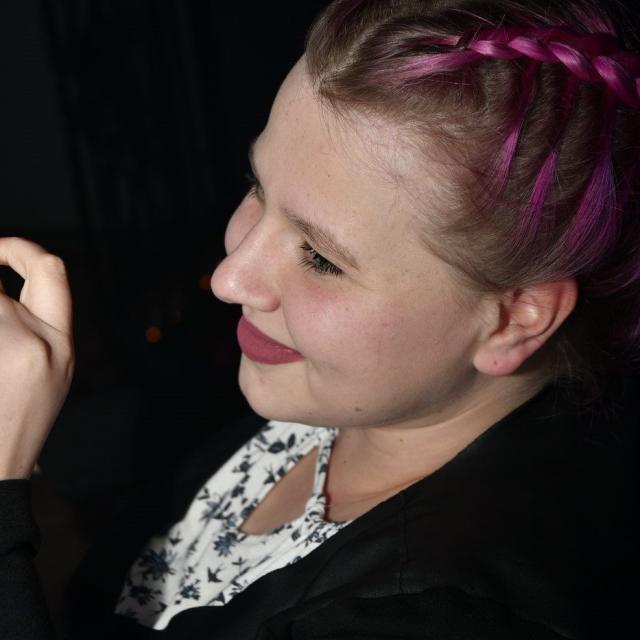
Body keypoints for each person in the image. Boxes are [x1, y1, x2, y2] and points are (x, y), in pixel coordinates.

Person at [1, 0, 638, 637]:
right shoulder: (351, 395)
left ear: (515, 321)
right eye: (257, 188)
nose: (229, 279)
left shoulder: (435, 615)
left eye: (320, 257)